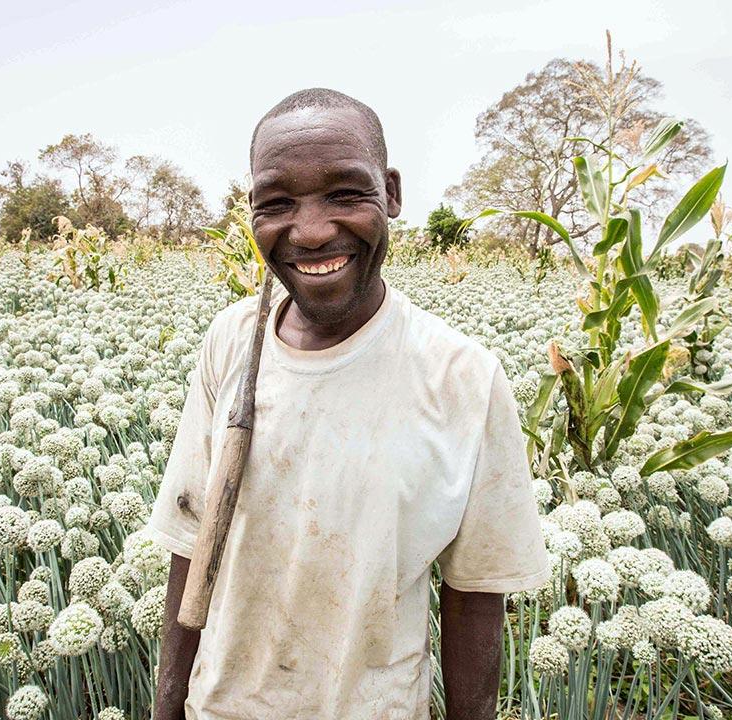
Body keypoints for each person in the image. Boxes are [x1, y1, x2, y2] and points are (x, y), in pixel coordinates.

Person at [148, 88, 550, 720]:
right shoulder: (232, 343)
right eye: (276, 203)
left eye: (345, 193)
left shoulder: (462, 377)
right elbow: (191, 544)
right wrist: (165, 709)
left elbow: (475, 595)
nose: (310, 231)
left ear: (390, 193)